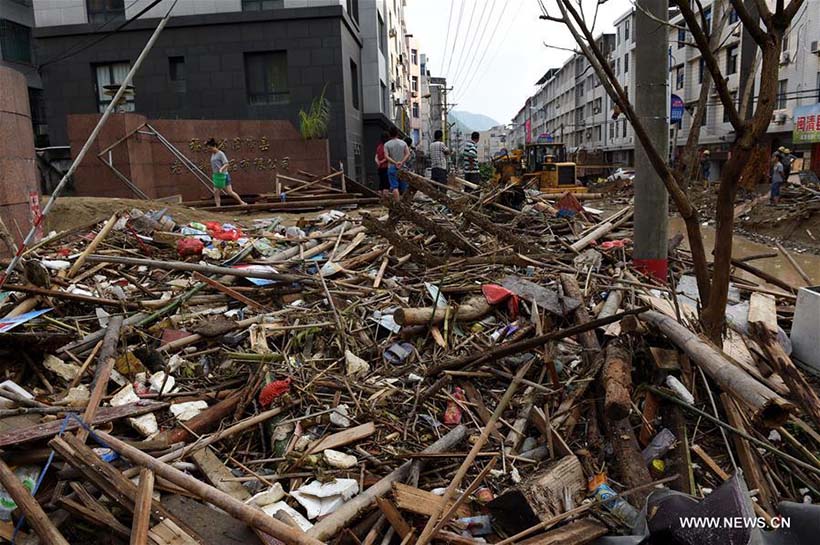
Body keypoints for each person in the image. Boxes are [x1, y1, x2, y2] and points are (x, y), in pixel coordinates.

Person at [207, 138, 246, 207]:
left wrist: (221, 169)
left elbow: (227, 163)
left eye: (210, 148)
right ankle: (218, 207)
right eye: (209, 148)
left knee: (230, 192)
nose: (209, 150)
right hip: (217, 176)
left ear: (214, 146)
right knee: (216, 192)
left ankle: (241, 202)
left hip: (224, 175)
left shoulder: (221, 154)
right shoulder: (213, 154)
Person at [384, 127, 410, 200]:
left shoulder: (387, 144)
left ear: (389, 134)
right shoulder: (403, 143)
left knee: (394, 187)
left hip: (392, 167)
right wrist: (401, 162)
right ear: (397, 133)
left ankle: (397, 204)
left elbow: (386, 156)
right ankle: (405, 203)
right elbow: (408, 154)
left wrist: (395, 162)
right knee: (404, 187)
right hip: (402, 167)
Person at [375, 132, 390, 197]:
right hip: (386, 167)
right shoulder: (387, 146)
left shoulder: (379, 146)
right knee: (386, 184)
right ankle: (385, 198)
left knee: (381, 183)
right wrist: (381, 162)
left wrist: (378, 162)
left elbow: (376, 156)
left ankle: (380, 197)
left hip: (380, 168)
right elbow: (387, 157)